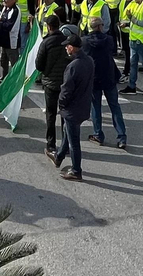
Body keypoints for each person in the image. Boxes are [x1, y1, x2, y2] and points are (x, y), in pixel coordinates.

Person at [48, 32, 93, 182]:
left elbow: (66, 90)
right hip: (83, 106)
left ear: (72, 48)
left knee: (74, 142)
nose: (66, 48)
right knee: (68, 132)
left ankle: (76, 170)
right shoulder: (89, 61)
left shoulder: (72, 66)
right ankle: (59, 156)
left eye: (67, 46)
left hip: (72, 109)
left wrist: (61, 104)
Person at [83, 15, 126, 149]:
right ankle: (121, 136)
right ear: (100, 26)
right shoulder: (109, 40)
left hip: (94, 78)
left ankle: (98, 134)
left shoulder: (84, 41)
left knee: (96, 107)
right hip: (109, 77)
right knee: (115, 106)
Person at [33, 16, 69, 154]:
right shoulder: (66, 40)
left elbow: (39, 64)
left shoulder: (46, 42)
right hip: (65, 83)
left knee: (51, 114)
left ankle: (51, 144)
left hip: (50, 84)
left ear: (48, 26)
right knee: (65, 115)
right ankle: (66, 144)